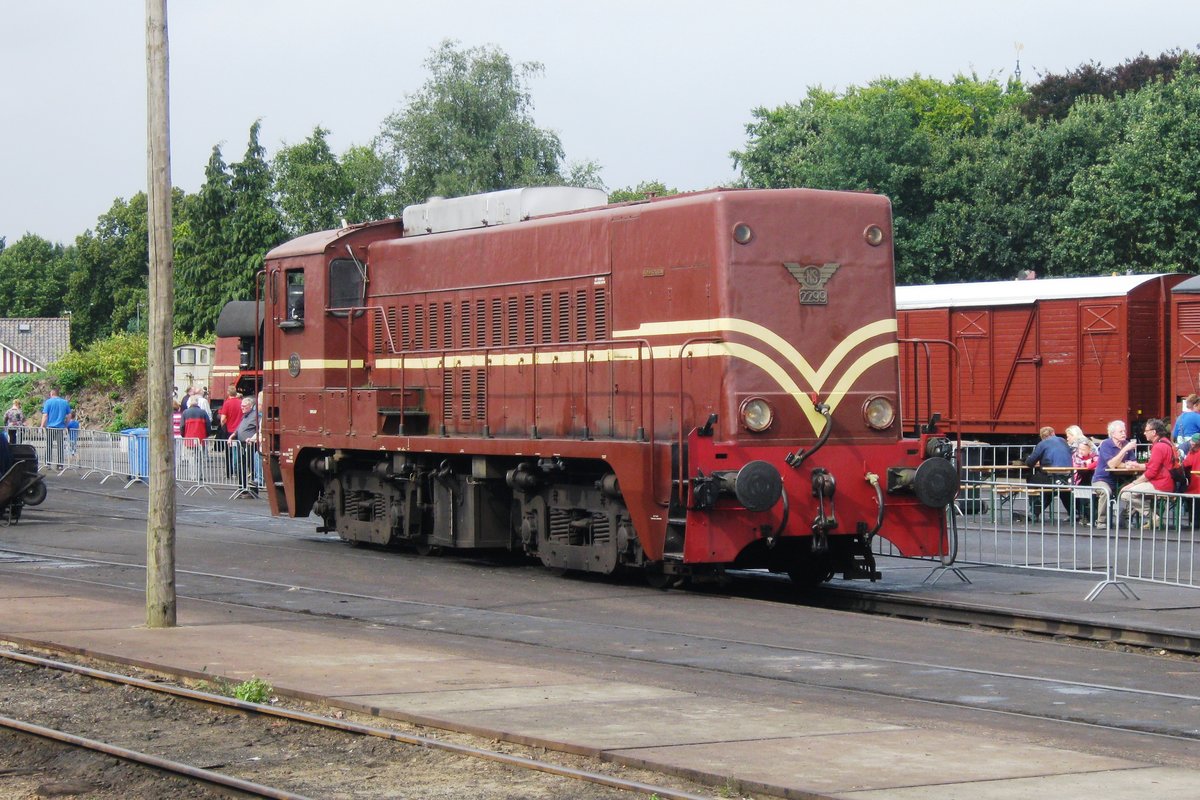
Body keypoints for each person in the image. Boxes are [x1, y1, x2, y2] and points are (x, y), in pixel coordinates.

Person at [1117, 418, 1176, 528]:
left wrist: (1133, 483)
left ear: (1153, 432)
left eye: (1146, 430)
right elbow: (1156, 465)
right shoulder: (1166, 443)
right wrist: (1138, 465)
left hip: (1160, 484)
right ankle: (1153, 519)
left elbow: (1151, 473)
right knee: (1132, 493)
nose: (1144, 433)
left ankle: (1154, 518)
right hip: (1167, 482)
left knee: (1125, 493)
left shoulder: (1158, 447)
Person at [1093, 420, 1140, 529]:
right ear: (1113, 434)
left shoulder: (1126, 444)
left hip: (1122, 479)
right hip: (1102, 479)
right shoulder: (1106, 444)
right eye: (1120, 431)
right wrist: (1125, 450)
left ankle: (1125, 516)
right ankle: (1101, 522)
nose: (1124, 433)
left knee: (1135, 491)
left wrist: (1125, 464)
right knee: (1106, 492)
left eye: (1124, 431)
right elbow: (1112, 464)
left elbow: (1133, 463)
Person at [1025, 426, 1073, 521]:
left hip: (1051, 475)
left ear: (1042, 436)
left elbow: (1030, 462)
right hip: (1068, 475)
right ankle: (1073, 512)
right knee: (1063, 489)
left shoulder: (1042, 444)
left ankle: (1034, 512)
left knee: (1032, 481)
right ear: (1053, 433)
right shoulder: (1063, 441)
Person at [229, 395, 259, 497]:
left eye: (244, 406)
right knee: (242, 466)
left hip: (250, 445)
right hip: (241, 444)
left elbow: (259, 430)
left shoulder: (255, 416)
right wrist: (232, 436)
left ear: (250, 406)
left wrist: (252, 438)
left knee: (251, 467)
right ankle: (242, 488)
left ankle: (253, 490)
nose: (242, 408)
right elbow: (239, 429)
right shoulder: (245, 416)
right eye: (241, 406)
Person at [181, 395, 210, 482]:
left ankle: (193, 475)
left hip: (189, 438)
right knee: (200, 457)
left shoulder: (185, 413)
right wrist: (206, 435)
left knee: (192, 458)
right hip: (201, 438)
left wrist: (184, 436)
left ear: (189, 403)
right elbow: (208, 426)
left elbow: (182, 426)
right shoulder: (203, 412)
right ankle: (200, 475)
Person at [40, 388, 71, 466]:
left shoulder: (48, 402)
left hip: (50, 427)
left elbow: (45, 415)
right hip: (60, 427)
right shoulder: (65, 402)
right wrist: (66, 425)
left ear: (51, 394)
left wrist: (42, 425)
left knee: (49, 445)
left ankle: (48, 462)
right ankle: (60, 464)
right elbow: (69, 415)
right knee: (60, 446)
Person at [1071, 439, 1099, 525]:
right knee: (1082, 493)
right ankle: (1083, 515)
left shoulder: (1094, 456)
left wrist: (1088, 465)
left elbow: (1098, 462)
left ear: (1089, 450)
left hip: (1092, 479)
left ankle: (1094, 517)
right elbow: (1077, 465)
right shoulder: (1075, 456)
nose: (1081, 451)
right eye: (1080, 449)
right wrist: (1088, 464)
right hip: (1078, 479)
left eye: (1083, 450)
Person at [219, 386, 244, 479]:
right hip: (239, 430)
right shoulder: (241, 402)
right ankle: (238, 471)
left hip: (230, 431)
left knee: (229, 453)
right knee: (238, 451)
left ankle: (230, 472)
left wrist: (223, 426)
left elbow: (222, 419)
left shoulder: (227, 403)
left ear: (228, 393)